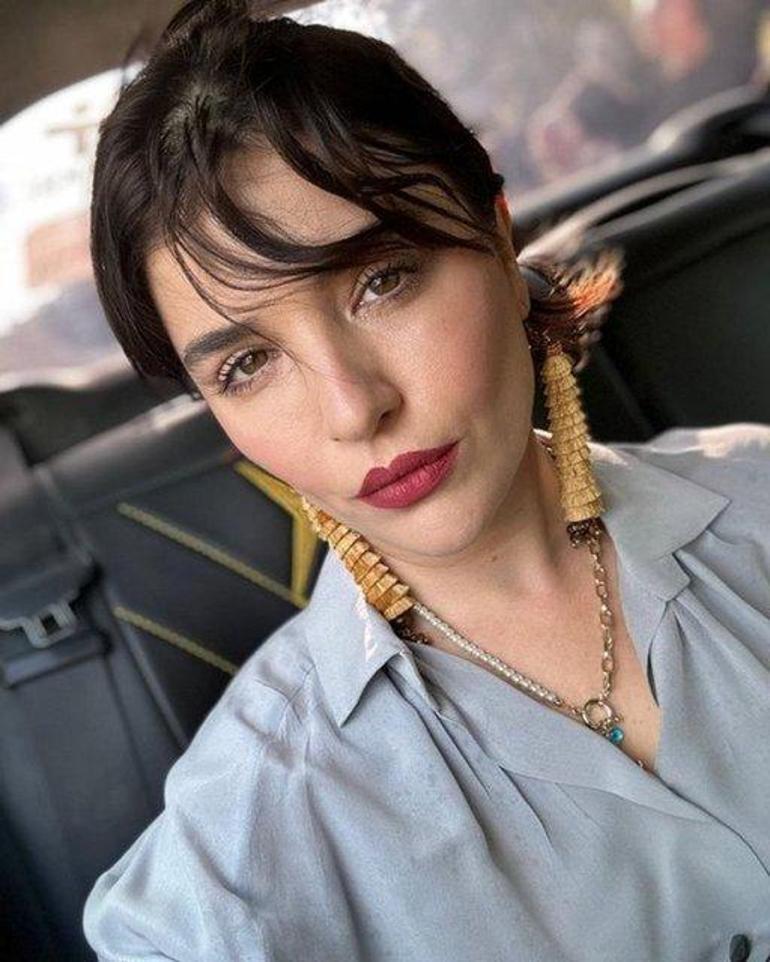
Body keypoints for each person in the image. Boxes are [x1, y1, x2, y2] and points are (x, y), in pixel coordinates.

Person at [82, 1, 770, 959]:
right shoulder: (242, 844)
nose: (352, 407)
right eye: (246, 364)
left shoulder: (757, 492)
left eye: (382, 280)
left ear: (498, 241)